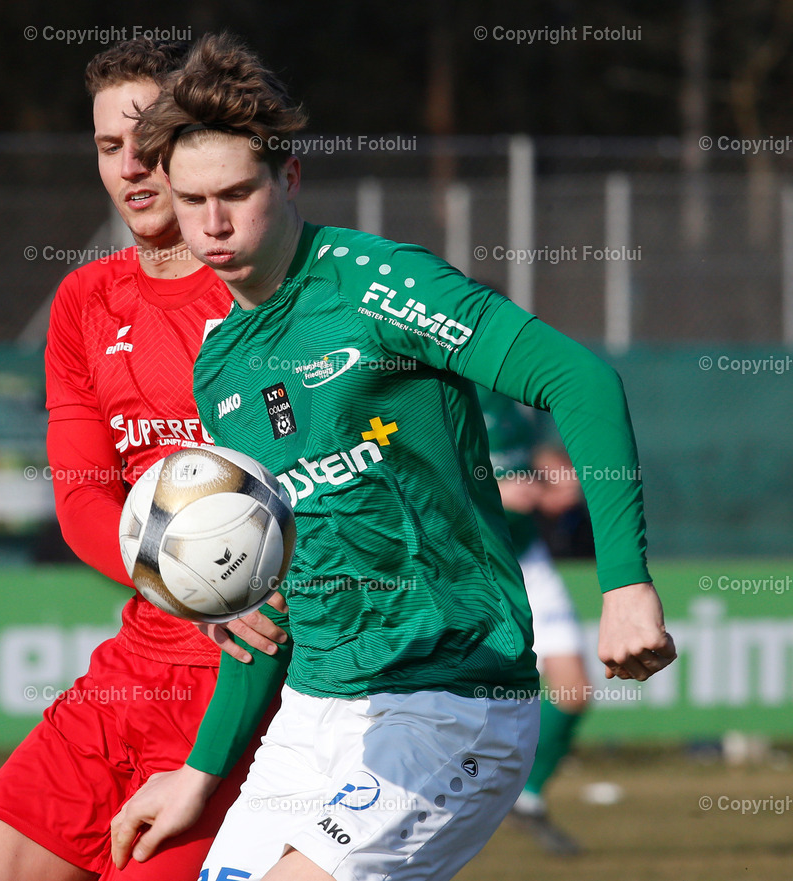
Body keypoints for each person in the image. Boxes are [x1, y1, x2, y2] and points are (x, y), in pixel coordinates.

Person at [109, 33, 677, 881]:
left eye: (237, 192)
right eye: (192, 201)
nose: (214, 223)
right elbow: (268, 596)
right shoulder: (218, 364)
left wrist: (626, 582)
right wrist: (201, 771)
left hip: (449, 699)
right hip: (312, 715)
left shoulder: (376, 284)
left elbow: (578, 379)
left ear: (288, 177)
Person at [0, 38, 286, 881]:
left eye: (148, 137)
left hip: (255, 688)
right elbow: (86, 498)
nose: (130, 165)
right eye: (106, 146)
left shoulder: (265, 294)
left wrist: (248, 593)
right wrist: (186, 585)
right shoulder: (85, 301)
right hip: (134, 669)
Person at [478, 386, 590, 855]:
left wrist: (555, 471)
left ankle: (527, 797)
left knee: (573, 688)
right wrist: (493, 491)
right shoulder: (426, 378)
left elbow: (525, 453)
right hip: (466, 561)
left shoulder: (509, 392)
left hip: (527, 557)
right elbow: (405, 469)